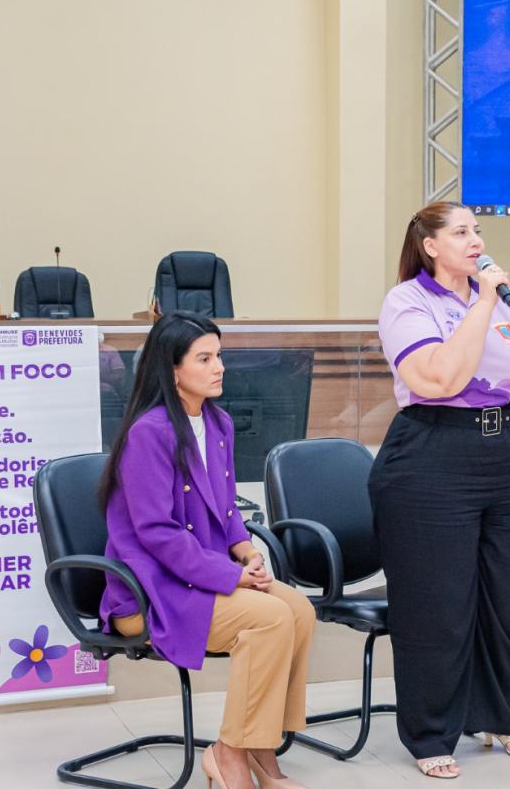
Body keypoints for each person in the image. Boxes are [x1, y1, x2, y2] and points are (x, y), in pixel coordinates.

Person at [369, 201, 510, 779]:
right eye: (461, 231)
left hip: (505, 452)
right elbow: (440, 378)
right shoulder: (408, 302)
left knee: (507, 602)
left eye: (477, 230)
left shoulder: (503, 302)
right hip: (431, 456)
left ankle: (497, 716)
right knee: (436, 607)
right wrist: (483, 301)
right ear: (431, 245)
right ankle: (430, 733)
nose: (475, 240)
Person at [99, 311, 316, 789]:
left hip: (204, 574)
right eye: (204, 358)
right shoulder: (148, 432)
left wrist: (247, 553)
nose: (219, 367)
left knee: (299, 611)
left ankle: (259, 745)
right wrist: (233, 576)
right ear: (172, 369)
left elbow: (226, 506)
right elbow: (157, 533)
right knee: (270, 618)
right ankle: (230, 753)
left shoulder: (217, 422)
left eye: (219, 355)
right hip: (151, 591)